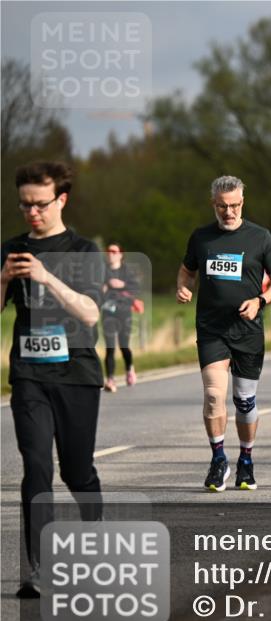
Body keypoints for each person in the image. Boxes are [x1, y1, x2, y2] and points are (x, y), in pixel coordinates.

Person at [2, 161, 105, 597]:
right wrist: (4, 277)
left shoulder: (83, 252)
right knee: (37, 466)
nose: (32, 212)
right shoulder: (10, 249)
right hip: (28, 374)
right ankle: (39, 569)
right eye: (24, 204)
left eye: (40, 204)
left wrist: (47, 277)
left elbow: (91, 313)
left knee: (77, 472)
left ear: (61, 199)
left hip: (77, 374)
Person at [177, 175, 271, 492]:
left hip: (248, 331)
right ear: (214, 204)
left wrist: (260, 300)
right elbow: (187, 270)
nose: (230, 212)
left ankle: (247, 460)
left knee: (244, 401)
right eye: (223, 206)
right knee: (213, 395)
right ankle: (217, 458)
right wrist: (183, 286)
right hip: (212, 329)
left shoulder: (260, 237)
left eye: (235, 205)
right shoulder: (201, 238)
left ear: (243, 203)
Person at [100, 243, 141, 392]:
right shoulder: (102, 271)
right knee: (110, 347)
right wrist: (103, 288)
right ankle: (110, 379)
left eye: (114, 251)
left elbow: (136, 290)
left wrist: (121, 285)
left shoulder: (127, 271)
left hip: (124, 312)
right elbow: (96, 290)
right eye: (108, 251)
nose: (110, 253)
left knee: (124, 346)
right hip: (108, 312)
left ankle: (129, 369)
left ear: (120, 254)